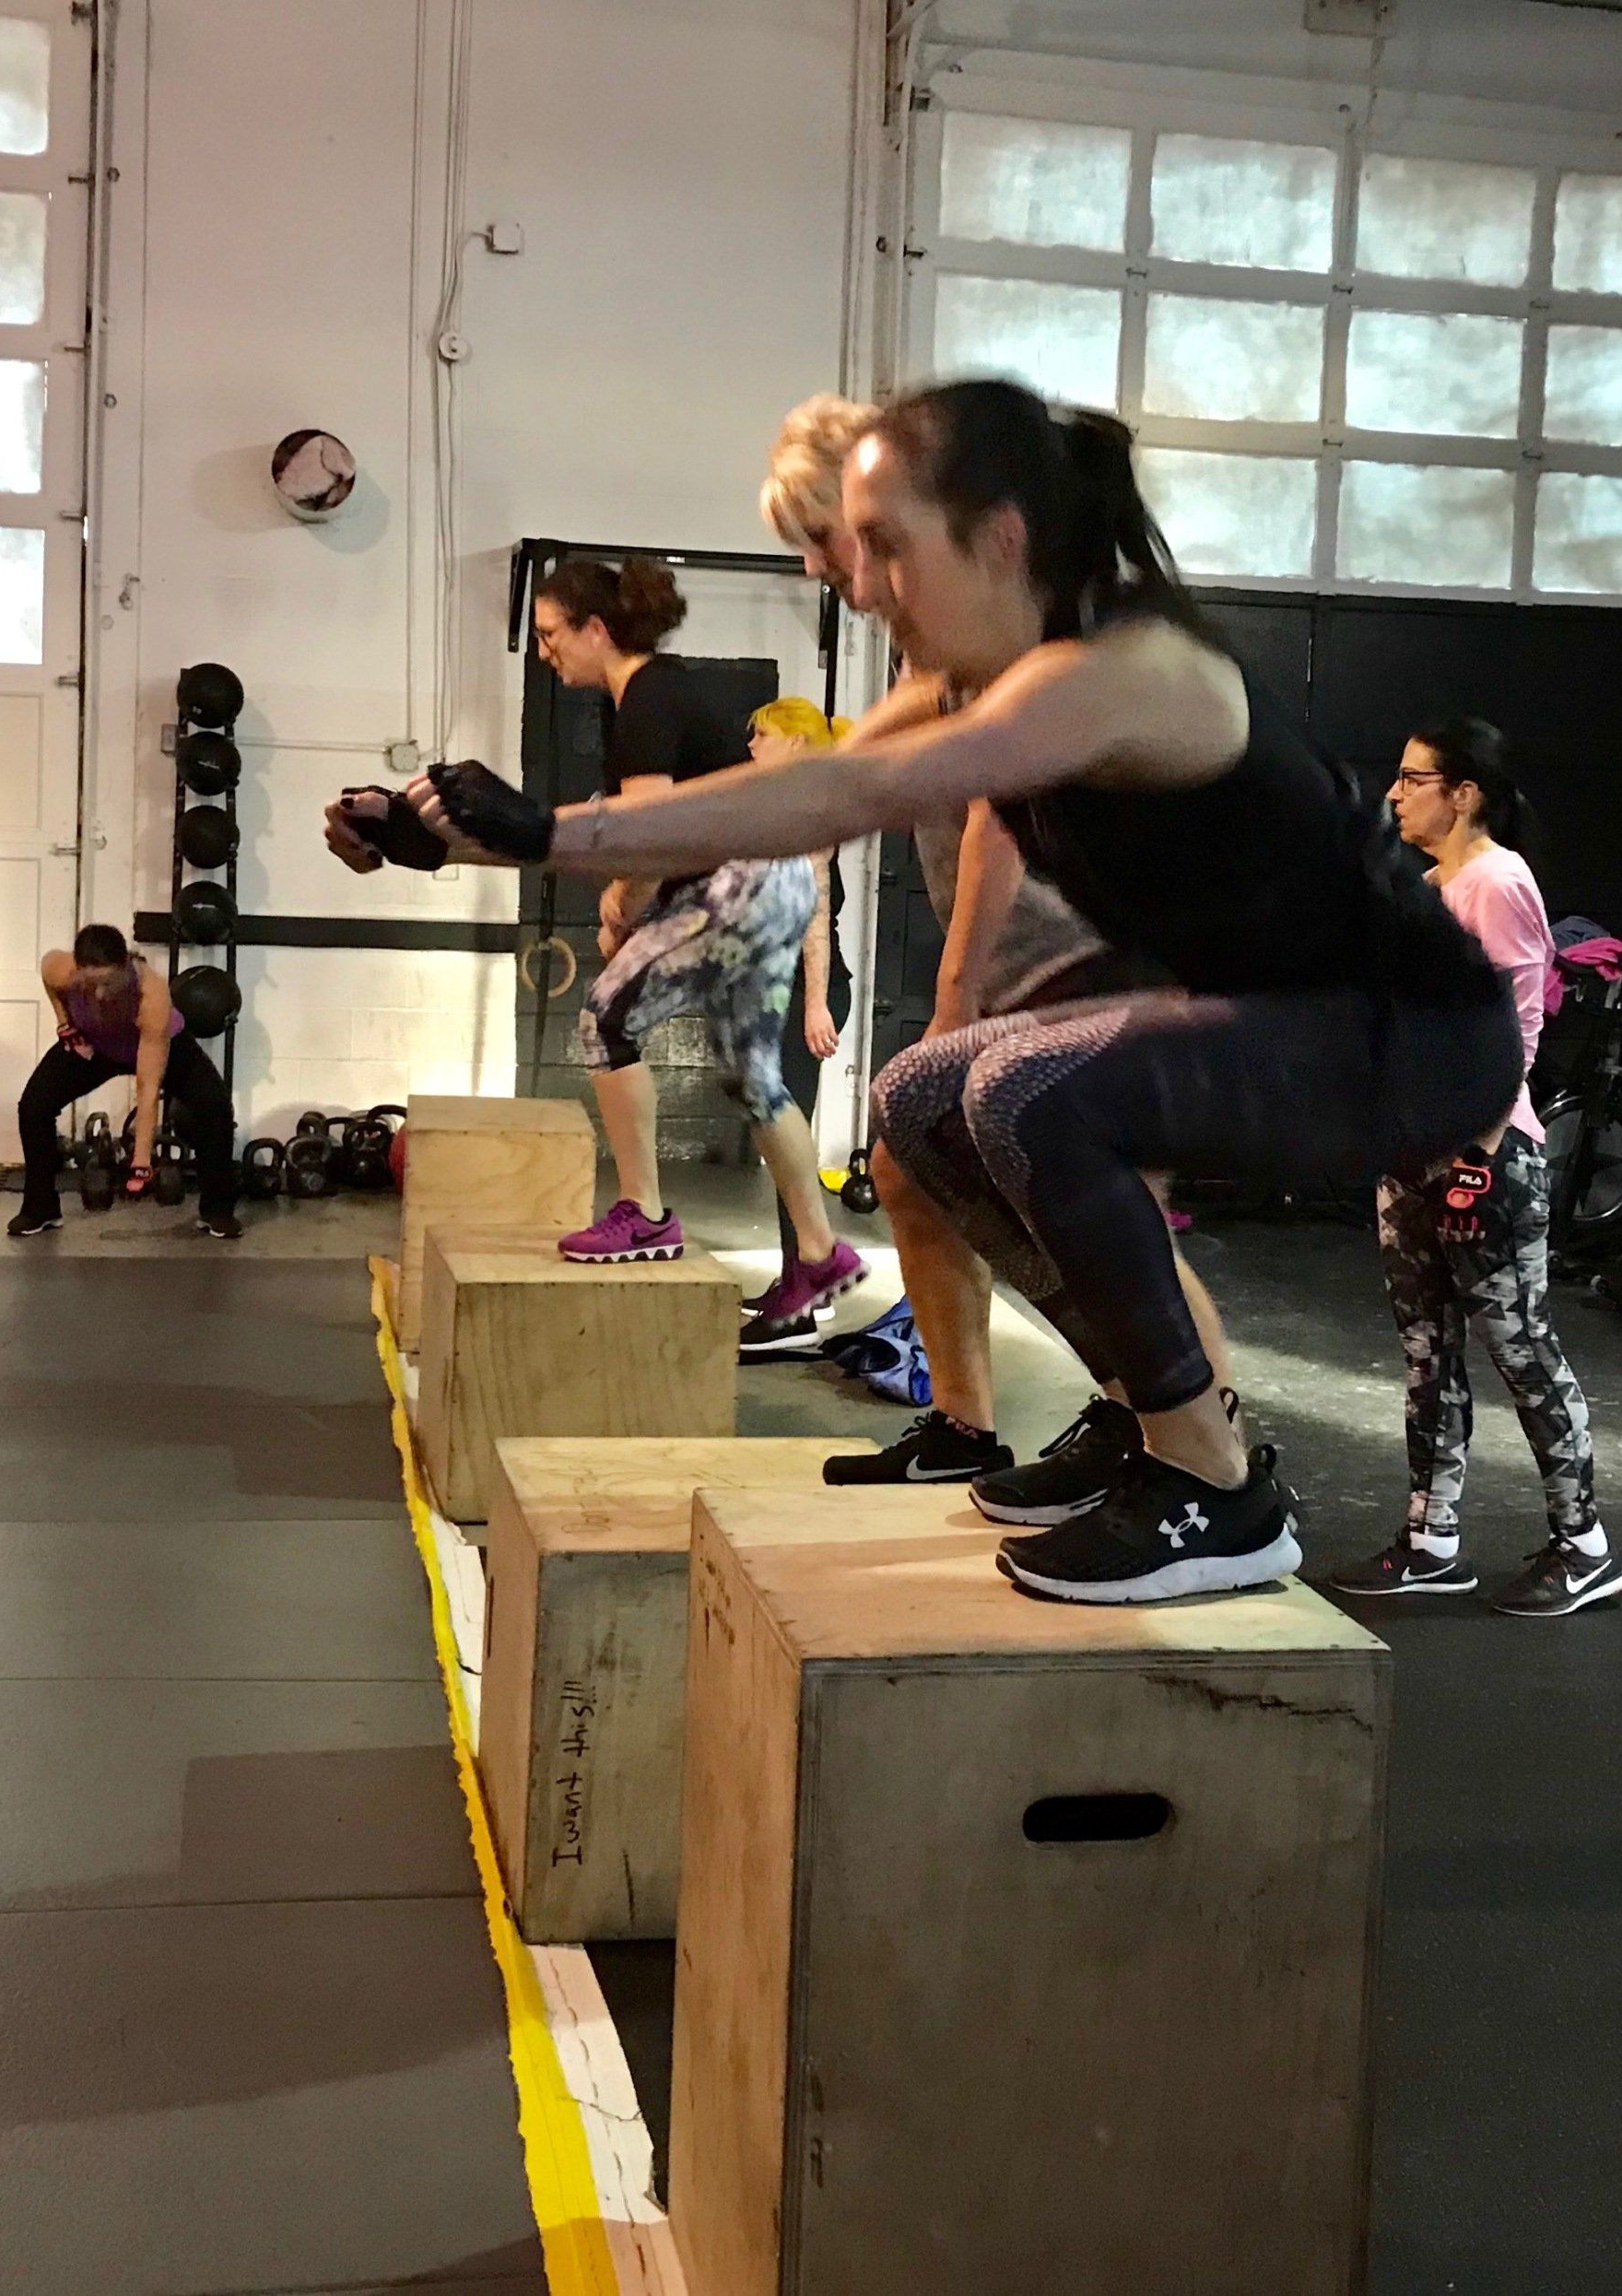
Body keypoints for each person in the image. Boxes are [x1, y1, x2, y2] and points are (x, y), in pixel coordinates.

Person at [397, 378, 1522, 1607]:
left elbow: (850, 798)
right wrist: (478, 834)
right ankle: (1144, 1416)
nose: (862, 584)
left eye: (886, 546)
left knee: (1040, 1097)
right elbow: (812, 779)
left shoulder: (1112, 669)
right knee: (924, 1098)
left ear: (1000, 539)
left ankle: (1222, 1488)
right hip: (1292, 1013)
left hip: (1414, 1035)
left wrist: (548, 831)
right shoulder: (988, 668)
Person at [760, 392, 1234, 1491]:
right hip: (1044, 960)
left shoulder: (1011, 634)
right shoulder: (927, 647)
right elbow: (838, 782)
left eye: (826, 540)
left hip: (1091, 960)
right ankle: (969, 1424)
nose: (818, 571)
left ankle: (1204, 1445)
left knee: (1101, 1202)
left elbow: (993, 817)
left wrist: (957, 994)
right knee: (909, 1167)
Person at [328, 556, 864, 1318]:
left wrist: (620, 909)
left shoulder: (646, 698)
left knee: (606, 1019)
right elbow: (585, 837)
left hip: (737, 883)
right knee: (755, 1077)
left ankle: (644, 1214)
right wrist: (426, 839)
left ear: (597, 629)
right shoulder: (652, 697)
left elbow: (642, 842)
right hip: (773, 884)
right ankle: (819, 1250)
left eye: (551, 635)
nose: (545, 652)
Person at [1329, 721, 1622, 1619]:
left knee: (1524, 1351)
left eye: (1414, 778)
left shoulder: (1498, 880)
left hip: (1485, 1158)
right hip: (1412, 1156)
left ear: (1464, 794)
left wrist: (1477, 1157)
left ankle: (1585, 1547)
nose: (1394, 792)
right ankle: (1432, 1540)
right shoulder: (1429, 886)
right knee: (1429, 1356)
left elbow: (1516, 1024)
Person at [736, 697, 854, 1359]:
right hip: (775, 987)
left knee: (786, 1137)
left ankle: (803, 1301)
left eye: (762, 733)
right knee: (776, 1134)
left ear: (794, 742)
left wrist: (815, 1003)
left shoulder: (809, 810)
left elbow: (815, 909)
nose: (750, 741)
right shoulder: (783, 803)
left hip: (801, 990)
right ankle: (797, 1278)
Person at [10, 924, 241, 1239]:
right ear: (78, 970)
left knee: (214, 1106)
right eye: (91, 983)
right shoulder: (61, 970)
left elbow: (148, 1088)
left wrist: (141, 1158)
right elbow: (48, 976)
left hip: (158, 1046)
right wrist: (65, 1025)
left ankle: (217, 1211)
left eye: (108, 982)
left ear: (125, 967)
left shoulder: (152, 996)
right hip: (97, 1046)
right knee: (34, 1106)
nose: (100, 993)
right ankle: (40, 1209)